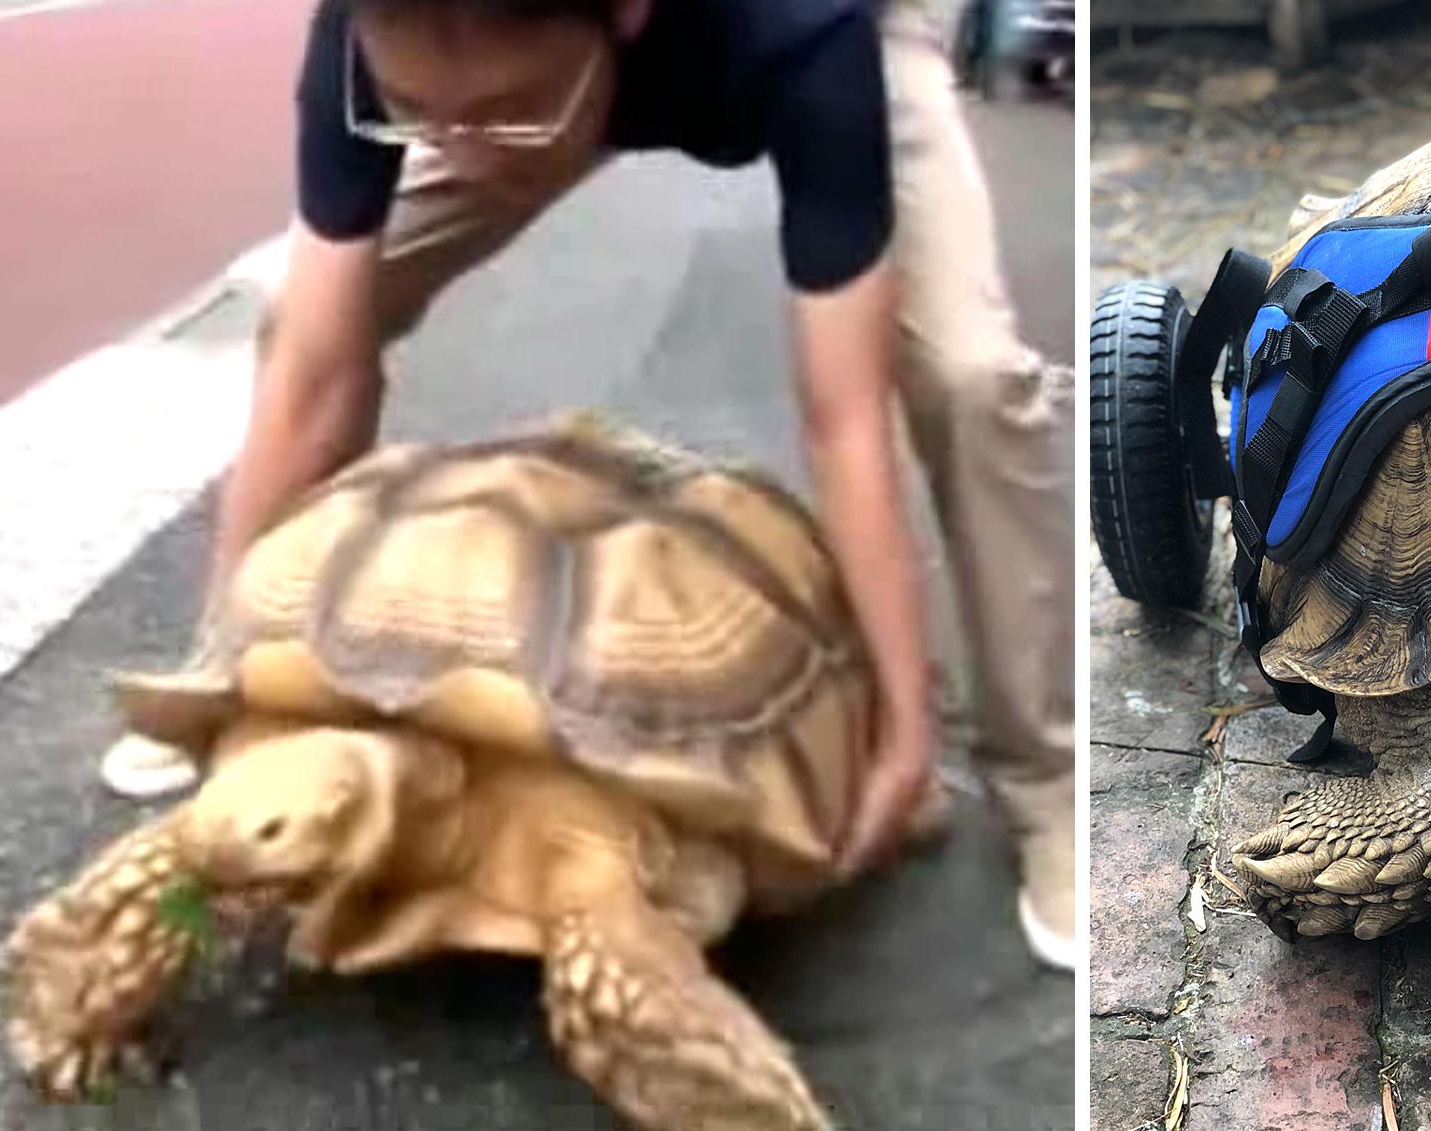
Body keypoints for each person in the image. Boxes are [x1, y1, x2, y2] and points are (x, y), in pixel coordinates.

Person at [100, 0, 1076, 970]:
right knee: (307, 315)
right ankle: (281, 690)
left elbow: (844, 415)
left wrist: (902, 733)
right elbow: (313, 375)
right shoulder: (382, 35)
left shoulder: (805, 33)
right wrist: (220, 675)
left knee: (973, 378)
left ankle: (1046, 781)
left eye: (501, 113)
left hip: (814, 44)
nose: (466, 157)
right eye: (412, 111)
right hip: (534, 71)